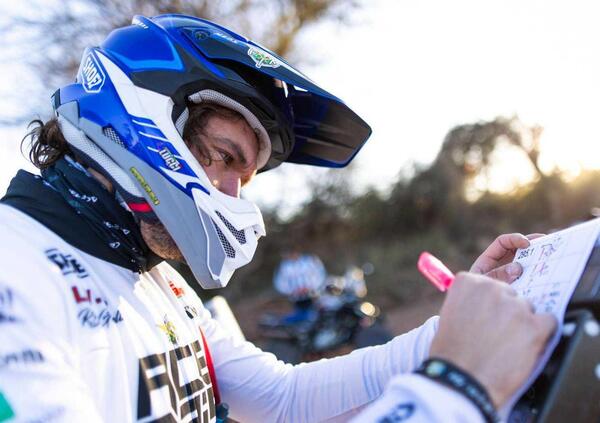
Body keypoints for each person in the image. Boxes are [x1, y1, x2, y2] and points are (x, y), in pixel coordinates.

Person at [0, 14, 555, 423]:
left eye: (246, 179)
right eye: (225, 157)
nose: (232, 194)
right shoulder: (15, 269)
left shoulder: (160, 283)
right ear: (143, 115)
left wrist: (454, 330)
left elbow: (283, 398)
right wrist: (456, 391)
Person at [273, 249, 326, 324]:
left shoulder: (310, 261)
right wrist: (292, 291)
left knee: (314, 313)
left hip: (312, 294)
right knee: (302, 314)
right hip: (297, 297)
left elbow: (320, 275)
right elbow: (280, 283)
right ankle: (282, 322)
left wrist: (310, 288)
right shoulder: (284, 266)